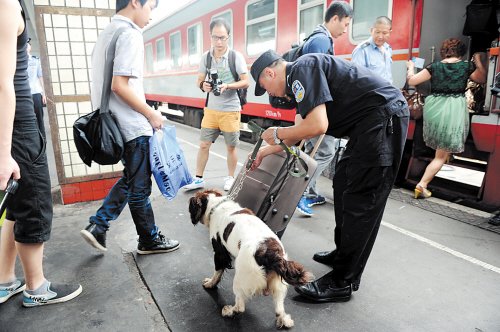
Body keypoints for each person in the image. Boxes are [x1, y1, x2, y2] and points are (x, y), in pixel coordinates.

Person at [250, 50, 409, 302]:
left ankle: (342, 281)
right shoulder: (299, 79)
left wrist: (278, 133)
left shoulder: (302, 69)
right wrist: (268, 150)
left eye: (265, 86)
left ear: (270, 72)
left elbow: (317, 126)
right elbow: (302, 130)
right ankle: (343, 252)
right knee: (343, 183)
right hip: (366, 126)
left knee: (361, 200)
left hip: (383, 119)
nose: (270, 93)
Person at [80, 0, 180, 255]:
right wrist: (151, 114)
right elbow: (119, 85)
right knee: (140, 188)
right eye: (151, 7)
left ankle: (99, 225)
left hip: (115, 124)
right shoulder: (130, 34)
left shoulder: (106, 34)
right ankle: (148, 239)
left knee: (131, 179)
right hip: (132, 125)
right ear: (136, 2)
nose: (151, 15)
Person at [0, 0, 81, 306]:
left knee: (17, 205)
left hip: (15, 124)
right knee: (34, 204)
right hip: (17, 125)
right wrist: (4, 153)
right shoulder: (5, 5)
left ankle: (5, 280)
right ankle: (36, 288)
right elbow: (2, 84)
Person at [407, 38, 486, 199]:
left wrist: (410, 68)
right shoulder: (466, 66)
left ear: (443, 51)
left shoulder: (434, 67)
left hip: (434, 107)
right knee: (440, 155)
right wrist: (477, 59)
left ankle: (427, 175)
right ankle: (422, 185)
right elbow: (482, 79)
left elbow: (412, 81)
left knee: (439, 147)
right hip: (453, 109)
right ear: (462, 51)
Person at [296, 0, 353, 217]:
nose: (345, 30)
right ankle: (299, 191)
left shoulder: (317, 38)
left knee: (311, 151)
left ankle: (307, 191)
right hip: (318, 108)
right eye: (345, 24)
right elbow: (315, 78)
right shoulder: (321, 41)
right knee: (326, 151)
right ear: (335, 18)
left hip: (312, 107)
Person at [182, 18, 249, 192]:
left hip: (230, 110)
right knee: (204, 144)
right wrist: (203, 85)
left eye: (222, 38)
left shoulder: (235, 57)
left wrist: (228, 86)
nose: (219, 42)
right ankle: (198, 179)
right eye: (215, 37)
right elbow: (199, 79)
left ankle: (230, 177)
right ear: (210, 37)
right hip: (211, 109)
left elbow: (245, 82)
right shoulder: (206, 57)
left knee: (231, 146)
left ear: (228, 37)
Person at [351, 16, 393, 84]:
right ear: (371, 31)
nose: (380, 36)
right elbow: (356, 78)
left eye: (384, 33)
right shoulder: (362, 50)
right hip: (371, 93)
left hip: (387, 92)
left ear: (390, 33)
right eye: (377, 32)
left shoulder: (388, 49)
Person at [27, 40, 47, 138]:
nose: (26, 47)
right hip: (24, 95)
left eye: (28, 45)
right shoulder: (16, 61)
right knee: (28, 120)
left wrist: (43, 93)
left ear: (30, 47)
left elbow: (40, 76)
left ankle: (42, 140)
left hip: (35, 93)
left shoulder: (35, 60)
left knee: (39, 119)